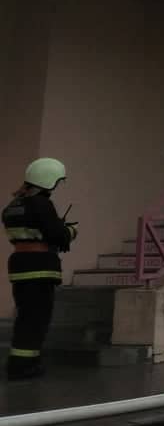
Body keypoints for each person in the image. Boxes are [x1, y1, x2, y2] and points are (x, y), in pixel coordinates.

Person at [4, 158, 76, 380]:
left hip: (20, 266)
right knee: (37, 320)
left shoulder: (13, 206)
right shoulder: (41, 204)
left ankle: (23, 362)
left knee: (26, 317)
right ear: (49, 179)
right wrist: (70, 232)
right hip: (40, 267)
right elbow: (57, 235)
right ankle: (23, 366)